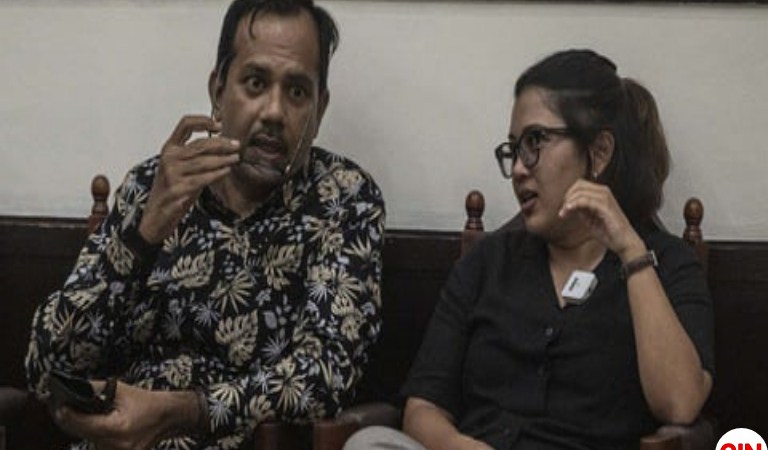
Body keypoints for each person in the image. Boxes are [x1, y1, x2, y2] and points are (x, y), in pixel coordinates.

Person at [24, 0, 385, 449]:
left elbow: (327, 373)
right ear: (218, 91)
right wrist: (142, 238)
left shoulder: (343, 198)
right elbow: (46, 367)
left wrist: (183, 411)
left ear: (319, 109)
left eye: (297, 92)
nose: (274, 112)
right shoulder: (152, 185)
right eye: (256, 83)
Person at [345, 49, 713, 450]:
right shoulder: (487, 263)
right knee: (370, 443)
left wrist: (630, 251)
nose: (520, 168)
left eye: (536, 141)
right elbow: (423, 408)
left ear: (599, 152)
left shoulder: (668, 264)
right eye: (514, 149)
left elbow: (679, 404)